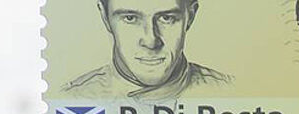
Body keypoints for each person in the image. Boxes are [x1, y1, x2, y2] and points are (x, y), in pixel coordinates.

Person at [63, 0, 233, 101]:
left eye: (167, 18)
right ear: (105, 16)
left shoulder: (229, 93)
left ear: (191, 16)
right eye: (130, 18)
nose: (151, 41)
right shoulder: (71, 99)